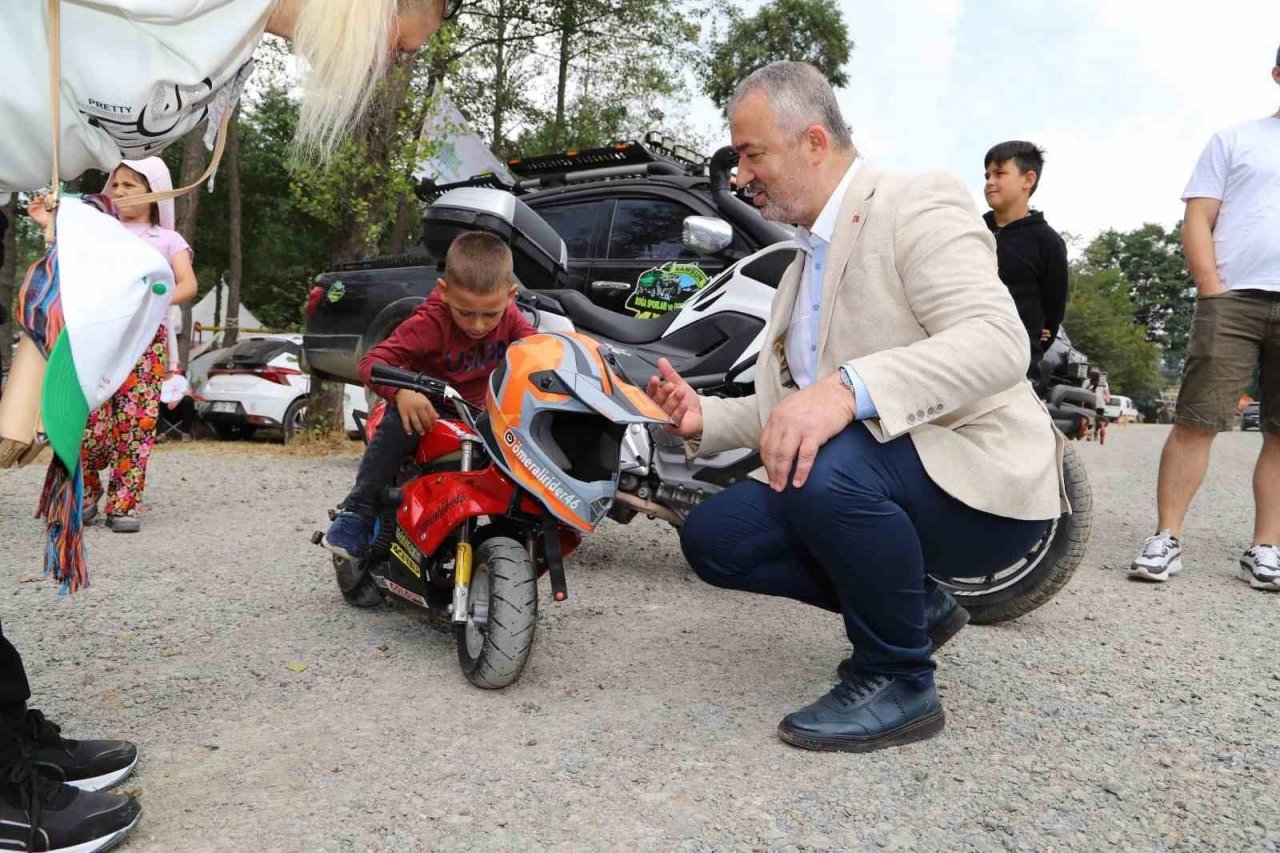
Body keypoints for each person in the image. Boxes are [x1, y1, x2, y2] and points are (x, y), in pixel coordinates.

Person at [0, 4, 453, 849]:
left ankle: (2, 720)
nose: (402, 48)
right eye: (418, 18)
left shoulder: (233, 40)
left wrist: (36, 360)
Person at [647, 62, 1066, 753]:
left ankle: (899, 678)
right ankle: (915, 606)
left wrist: (846, 389)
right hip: (878, 474)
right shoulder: (798, 267)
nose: (742, 175)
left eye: (753, 154)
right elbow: (788, 408)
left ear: (814, 142)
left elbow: (999, 342)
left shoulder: (915, 202)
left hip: (980, 486)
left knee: (824, 466)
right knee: (716, 539)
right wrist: (704, 419)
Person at [1128, 47, 1280, 590]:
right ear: (1277, 73)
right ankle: (1166, 536)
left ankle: (1267, 547)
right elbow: (1198, 214)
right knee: (1196, 421)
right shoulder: (1235, 140)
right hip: (1234, 298)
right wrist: (1211, 289)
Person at [323, 232, 535, 558]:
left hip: (479, 413)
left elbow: (539, 352)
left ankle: (519, 525)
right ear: (443, 292)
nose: (478, 325)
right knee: (401, 420)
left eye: (489, 314)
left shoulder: (510, 317)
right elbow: (371, 362)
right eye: (465, 312)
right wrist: (402, 391)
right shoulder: (429, 322)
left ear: (511, 296)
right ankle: (359, 509)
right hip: (426, 406)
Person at [70, 159, 197, 532]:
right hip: (100, 338)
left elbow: (188, 284)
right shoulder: (100, 231)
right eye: (116, 184)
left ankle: (124, 504)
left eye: (131, 185)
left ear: (155, 191)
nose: (120, 192)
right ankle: (88, 492)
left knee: (136, 425)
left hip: (146, 341)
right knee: (90, 425)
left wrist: (157, 298)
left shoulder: (168, 239)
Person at [982, 141, 1069, 379]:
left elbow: (1053, 311)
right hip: (961, 351)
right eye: (987, 174)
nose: (990, 181)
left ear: (1028, 180)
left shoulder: (1048, 242)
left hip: (1013, 365)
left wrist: (1033, 344)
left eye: (1000, 173)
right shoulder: (971, 228)